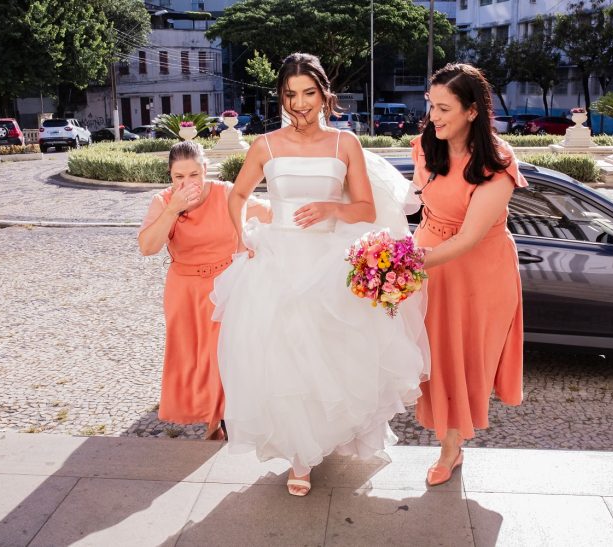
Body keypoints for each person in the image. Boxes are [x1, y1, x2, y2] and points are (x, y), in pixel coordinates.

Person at [211, 53, 429, 497]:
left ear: (324, 94)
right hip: (278, 262)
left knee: (331, 358)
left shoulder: (343, 144)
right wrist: (242, 240)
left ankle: (325, 438)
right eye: (291, 95)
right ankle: (299, 456)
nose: (300, 104)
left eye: (308, 93)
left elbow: (366, 209)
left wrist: (332, 207)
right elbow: (236, 197)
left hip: (329, 262)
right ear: (281, 97)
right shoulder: (265, 146)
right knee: (285, 358)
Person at [411, 63, 527, 485]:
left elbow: (468, 239)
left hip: (479, 271)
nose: (434, 117)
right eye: (431, 106)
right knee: (431, 357)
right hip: (430, 259)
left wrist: (404, 264)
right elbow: (418, 202)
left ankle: (450, 450)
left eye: (444, 108)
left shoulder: (497, 160)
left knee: (463, 360)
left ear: (473, 111)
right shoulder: (426, 145)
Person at [138, 140, 270, 440]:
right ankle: (209, 415)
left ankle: (219, 421)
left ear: (206, 170)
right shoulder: (164, 201)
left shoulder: (225, 193)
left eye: (194, 175)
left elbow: (269, 214)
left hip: (225, 287)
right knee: (192, 356)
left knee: (221, 354)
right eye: (178, 177)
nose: (187, 183)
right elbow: (148, 247)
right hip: (184, 289)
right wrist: (173, 208)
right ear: (170, 177)